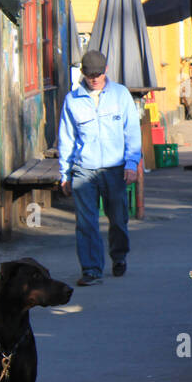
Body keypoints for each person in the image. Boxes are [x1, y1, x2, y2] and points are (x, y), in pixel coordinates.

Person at [57, 49, 141, 286]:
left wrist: (132, 163)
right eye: (89, 74)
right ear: (82, 74)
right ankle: (91, 269)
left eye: (98, 73)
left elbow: (132, 132)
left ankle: (119, 255)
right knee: (86, 222)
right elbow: (67, 138)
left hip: (115, 168)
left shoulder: (120, 95)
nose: (94, 78)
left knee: (118, 219)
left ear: (105, 71)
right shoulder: (72, 100)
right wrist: (64, 173)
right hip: (84, 169)